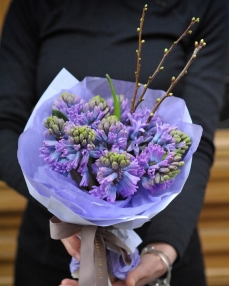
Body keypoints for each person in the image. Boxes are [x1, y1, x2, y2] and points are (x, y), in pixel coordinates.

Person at [0, 0, 228, 285]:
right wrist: (70, 208)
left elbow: (194, 143)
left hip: (158, 252)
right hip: (56, 247)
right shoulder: (34, 6)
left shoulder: (205, 6)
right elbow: (5, 125)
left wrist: (162, 251)